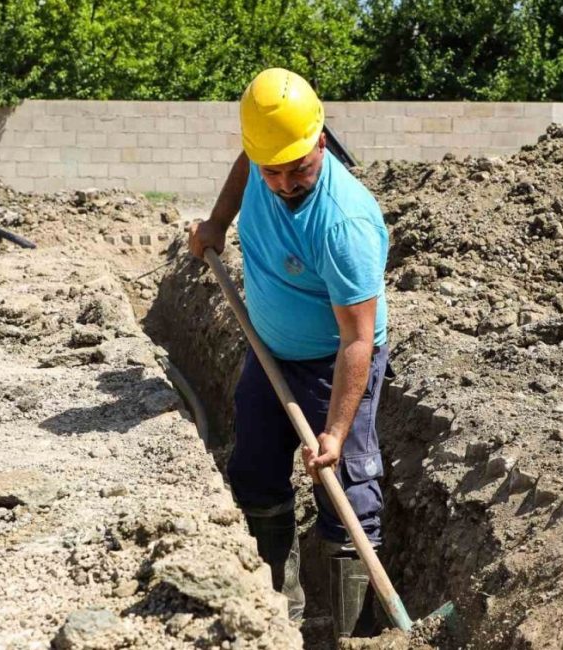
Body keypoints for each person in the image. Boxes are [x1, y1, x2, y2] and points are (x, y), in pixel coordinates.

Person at [187, 67, 390, 639]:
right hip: (269, 351)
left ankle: (352, 633)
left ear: (320, 142)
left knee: (347, 491)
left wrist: (335, 430)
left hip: (335, 361)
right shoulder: (266, 159)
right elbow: (247, 168)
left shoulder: (343, 223)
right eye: (271, 171)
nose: (282, 184)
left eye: (296, 170)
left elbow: (357, 340)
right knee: (253, 470)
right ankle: (279, 618)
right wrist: (218, 223)